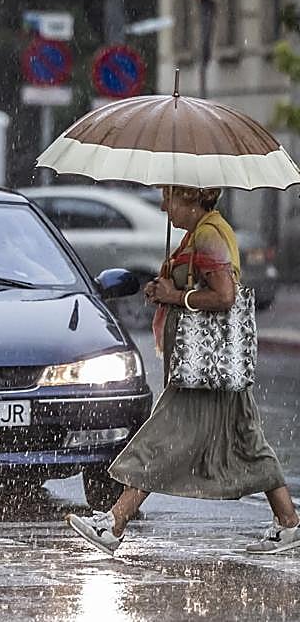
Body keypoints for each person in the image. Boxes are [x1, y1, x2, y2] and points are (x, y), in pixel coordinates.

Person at [66, 186, 300, 556]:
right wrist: (165, 288)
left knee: (161, 437)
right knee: (247, 438)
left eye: (169, 198)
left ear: (192, 198)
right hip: (218, 367)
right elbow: (199, 284)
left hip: (204, 366)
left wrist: (175, 297)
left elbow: (224, 296)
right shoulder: (202, 232)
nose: (163, 206)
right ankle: (288, 523)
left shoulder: (209, 235)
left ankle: (114, 523)